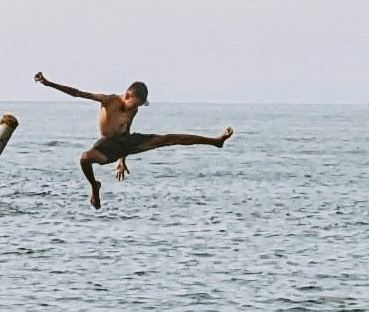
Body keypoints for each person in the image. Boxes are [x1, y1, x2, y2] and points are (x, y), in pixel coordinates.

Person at [33, 74, 234, 212]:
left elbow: (126, 133)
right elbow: (77, 93)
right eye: (134, 104)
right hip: (106, 144)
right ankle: (95, 187)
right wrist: (48, 83)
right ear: (128, 95)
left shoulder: (133, 109)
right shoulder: (108, 100)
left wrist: (123, 160)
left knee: (167, 139)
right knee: (85, 158)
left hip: (124, 142)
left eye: (137, 107)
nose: (134, 109)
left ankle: (215, 141)